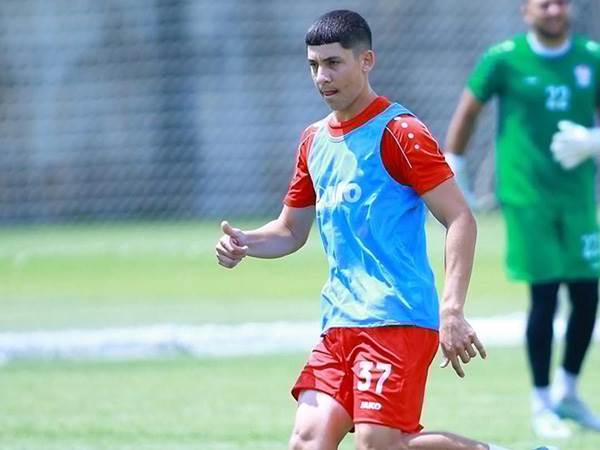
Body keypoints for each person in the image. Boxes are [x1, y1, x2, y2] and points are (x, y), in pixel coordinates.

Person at [216, 10, 549, 450]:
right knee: (307, 441)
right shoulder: (314, 141)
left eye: (333, 63)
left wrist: (451, 309)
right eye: (313, 65)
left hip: (396, 317)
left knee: (379, 444)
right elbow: (290, 230)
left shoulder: (400, 132)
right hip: (338, 323)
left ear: (366, 60)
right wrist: (246, 242)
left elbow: (460, 218)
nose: (321, 77)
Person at [445, 0, 600, 440]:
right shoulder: (503, 59)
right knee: (545, 295)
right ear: (525, 10)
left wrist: (594, 140)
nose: (553, 10)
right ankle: (542, 402)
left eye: (561, 2)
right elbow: (468, 112)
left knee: (588, 294)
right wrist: (455, 164)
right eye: (543, 3)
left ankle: (568, 391)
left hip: (578, 198)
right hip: (527, 197)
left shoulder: (591, 57)